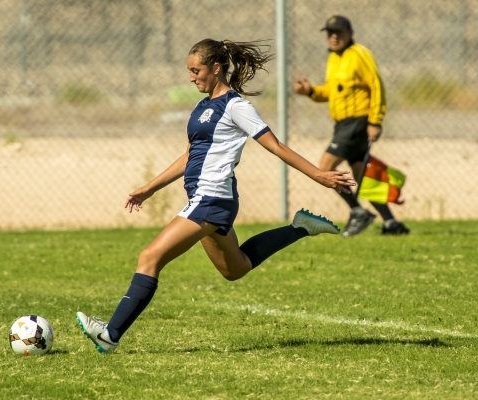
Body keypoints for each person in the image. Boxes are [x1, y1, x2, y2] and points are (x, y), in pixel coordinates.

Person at [76, 38, 356, 354]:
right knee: (234, 269)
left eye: (196, 70)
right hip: (204, 198)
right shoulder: (202, 106)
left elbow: (275, 146)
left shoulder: (236, 107)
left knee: (149, 257)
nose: (191, 77)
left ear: (216, 68)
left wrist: (319, 175)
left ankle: (110, 335)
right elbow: (189, 156)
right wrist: (150, 187)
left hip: (212, 199)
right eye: (189, 71)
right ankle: (300, 227)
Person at [294, 15, 410, 236]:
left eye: (339, 32)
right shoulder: (334, 59)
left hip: (357, 123)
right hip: (343, 124)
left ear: (351, 33)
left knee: (325, 168)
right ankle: (391, 224)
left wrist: (375, 121)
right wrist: (310, 91)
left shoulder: (359, 54)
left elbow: (376, 86)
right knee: (362, 177)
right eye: (330, 33)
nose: (334, 37)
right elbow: (331, 92)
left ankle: (358, 212)